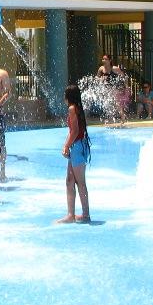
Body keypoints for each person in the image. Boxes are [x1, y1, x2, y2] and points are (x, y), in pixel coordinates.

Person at [56, 84, 91, 223]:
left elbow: (75, 131)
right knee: (70, 180)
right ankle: (71, 215)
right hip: (78, 145)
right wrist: (66, 145)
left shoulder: (72, 109)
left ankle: (86, 215)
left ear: (68, 96)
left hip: (77, 147)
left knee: (80, 182)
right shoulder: (77, 108)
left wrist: (67, 145)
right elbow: (72, 131)